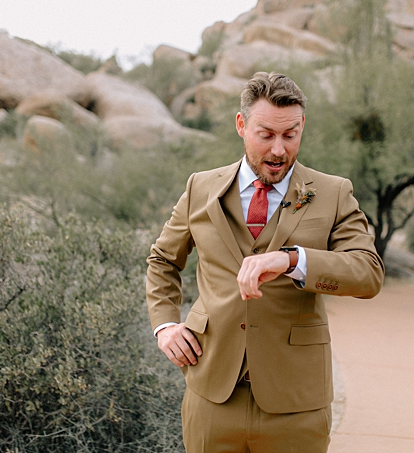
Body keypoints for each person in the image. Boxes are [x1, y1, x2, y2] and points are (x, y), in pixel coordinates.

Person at [145, 72, 384, 452]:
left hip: (296, 402)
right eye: (266, 135)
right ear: (241, 125)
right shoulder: (200, 188)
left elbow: (368, 273)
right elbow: (162, 261)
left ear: (302, 125)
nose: (278, 150)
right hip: (211, 395)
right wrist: (165, 325)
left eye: (290, 135)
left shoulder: (334, 193)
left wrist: (293, 260)